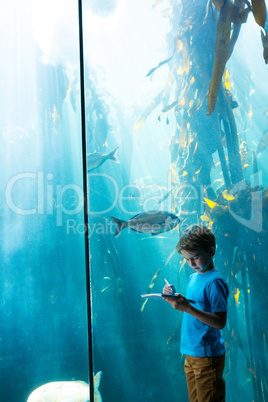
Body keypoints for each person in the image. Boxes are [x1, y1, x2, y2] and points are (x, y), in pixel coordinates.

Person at [162, 224, 229, 402]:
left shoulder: (215, 282)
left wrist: (188, 308)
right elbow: (194, 308)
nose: (191, 263)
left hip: (207, 354)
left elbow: (220, 322)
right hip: (190, 351)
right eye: (187, 259)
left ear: (211, 251)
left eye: (196, 257)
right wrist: (173, 299)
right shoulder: (193, 278)